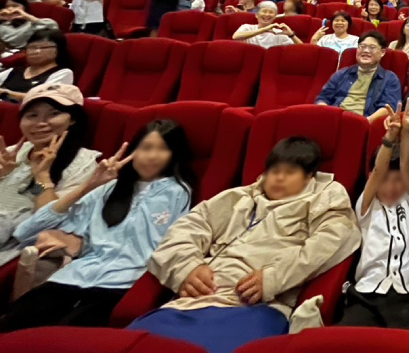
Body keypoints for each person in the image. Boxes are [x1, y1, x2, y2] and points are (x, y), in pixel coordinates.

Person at [128, 137, 361, 351]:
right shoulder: (238, 197)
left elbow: (334, 239)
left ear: (309, 177)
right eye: (274, 171)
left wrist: (272, 277)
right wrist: (187, 267)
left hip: (256, 307)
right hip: (191, 302)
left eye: (290, 172)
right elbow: (187, 228)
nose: (279, 178)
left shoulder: (325, 196)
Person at [0, 121, 195, 331]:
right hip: (73, 276)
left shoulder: (177, 191)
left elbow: (167, 244)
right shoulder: (108, 187)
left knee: (64, 336)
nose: (152, 156)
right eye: (145, 148)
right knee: (13, 328)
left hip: (122, 283)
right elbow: (27, 230)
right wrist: (89, 186)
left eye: (163, 149)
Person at [341, 100, 409, 330]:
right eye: (385, 181)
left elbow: (407, 165)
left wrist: (407, 132)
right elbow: (378, 169)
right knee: (347, 340)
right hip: (369, 290)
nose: (391, 187)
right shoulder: (366, 205)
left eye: (397, 181)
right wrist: (391, 135)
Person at [0, 84, 100, 266]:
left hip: (17, 240)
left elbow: (48, 221)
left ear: (73, 119)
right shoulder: (13, 152)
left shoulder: (83, 164)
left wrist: (42, 177)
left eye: (54, 114)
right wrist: (2, 175)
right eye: (32, 115)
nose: (40, 122)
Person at [315, 32, 401, 123]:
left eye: (372, 47)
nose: (366, 51)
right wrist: (327, 117)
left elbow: (388, 108)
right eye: (362, 46)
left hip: (365, 122)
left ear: (382, 52)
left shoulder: (390, 78)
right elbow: (323, 98)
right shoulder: (342, 73)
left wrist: (365, 123)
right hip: (335, 120)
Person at [0, 29, 74, 103]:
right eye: (32, 47)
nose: (36, 51)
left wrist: (8, 93)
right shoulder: (14, 71)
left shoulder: (63, 73)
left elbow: (44, 98)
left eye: (43, 47)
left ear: (58, 50)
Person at [233, 1, 301, 48]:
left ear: (275, 16)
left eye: (271, 12)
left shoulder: (279, 33)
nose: (267, 14)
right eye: (264, 11)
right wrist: (265, 29)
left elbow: (303, 49)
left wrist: (291, 35)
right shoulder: (247, 27)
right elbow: (235, 37)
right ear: (256, 15)